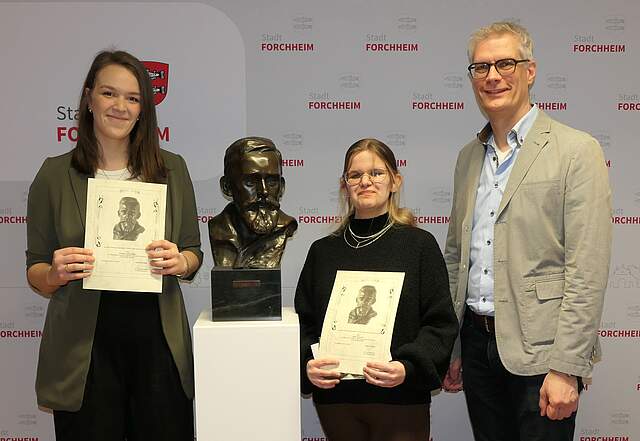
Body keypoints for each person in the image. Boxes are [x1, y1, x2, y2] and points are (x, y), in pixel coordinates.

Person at [442, 22, 612, 441]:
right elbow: (455, 256)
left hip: (544, 356)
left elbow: (586, 269)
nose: (492, 76)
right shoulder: (468, 157)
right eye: (481, 68)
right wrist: (454, 345)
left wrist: (567, 366)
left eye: (505, 63)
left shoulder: (576, 150)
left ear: (530, 71)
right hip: (478, 347)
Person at [26, 50, 202, 441]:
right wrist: (54, 273)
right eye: (109, 94)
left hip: (158, 343)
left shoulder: (172, 169)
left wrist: (181, 261)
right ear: (89, 99)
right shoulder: (54, 175)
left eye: (133, 98)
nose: (120, 106)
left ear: (144, 109)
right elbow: (36, 271)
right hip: (83, 352)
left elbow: (193, 250)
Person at [295, 138, 458, 441]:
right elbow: (303, 321)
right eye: (355, 175)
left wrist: (408, 368)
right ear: (344, 184)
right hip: (337, 400)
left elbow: (440, 323)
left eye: (376, 173)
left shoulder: (419, 246)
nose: (365, 181)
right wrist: (307, 363)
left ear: (395, 180)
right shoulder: (323, 251)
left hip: (400, 399)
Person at [208, 137, 297, 268]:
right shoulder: (218, 229)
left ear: (282, 187)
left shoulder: (285, 226)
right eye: (250, 182)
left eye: (272, 182)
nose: (264, 191)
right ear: (227, 186)